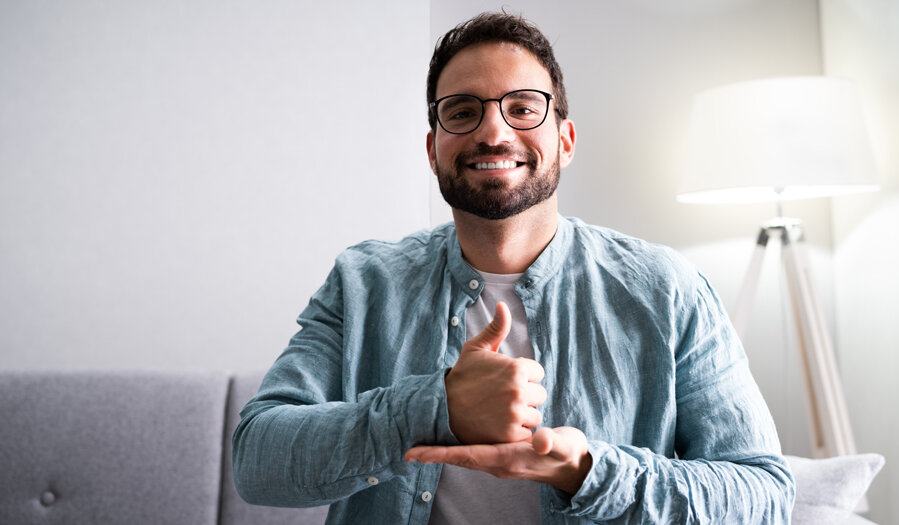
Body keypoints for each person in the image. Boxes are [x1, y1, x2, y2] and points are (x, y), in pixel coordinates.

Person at [233, 11, 794, 524]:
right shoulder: (362, 283)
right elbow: (256, 460)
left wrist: (589, 473)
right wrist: (434, 408)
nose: (493, 131)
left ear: (565, 140)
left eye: (523, 107)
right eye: (462, 111)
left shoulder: (666, 288)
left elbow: (763, 493)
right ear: (433, 149)